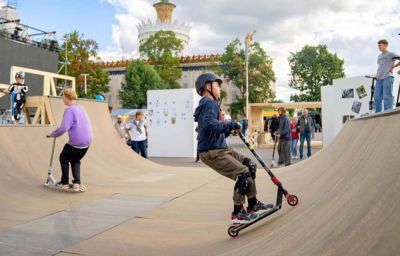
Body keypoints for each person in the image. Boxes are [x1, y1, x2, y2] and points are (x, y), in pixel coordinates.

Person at [193, 73, 273, 224]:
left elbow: (213, 129)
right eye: (216, 86)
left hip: (220, 148)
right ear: (207, 87)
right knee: (243, 174)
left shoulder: (209, 104)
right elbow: (210, 124)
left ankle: (253, 204)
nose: (219, 89)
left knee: (250, 165)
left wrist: (229, 129)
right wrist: (230, 124)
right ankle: (238, 213)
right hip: (212, 152)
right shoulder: (208, 103)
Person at [47, 89, 92, 191]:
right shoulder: (81, 108)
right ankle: (76, 183)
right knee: (75, 160)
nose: (63, 100)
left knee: (64, 158)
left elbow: (64, 128)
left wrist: (52, 134)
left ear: (68, 98)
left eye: (63, 98)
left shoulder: (69, 110)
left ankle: (65, 183)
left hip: (77, 141)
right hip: (87, 141)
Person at [375, 39, 400, 113]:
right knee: (377, 97)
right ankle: (378, 113)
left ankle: (388, 112)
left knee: (387, 96)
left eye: (380, 45)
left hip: (387, 77)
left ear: (385, 45)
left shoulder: (390, 54)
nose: (379, 47)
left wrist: (394, 66)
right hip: (379, 78)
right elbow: (380, 66)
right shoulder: (379, 56)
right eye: (378, 46)